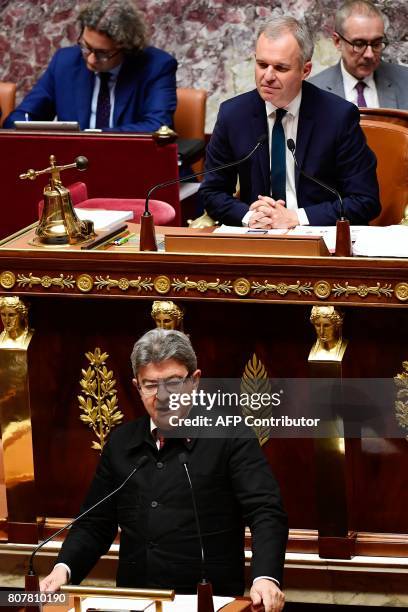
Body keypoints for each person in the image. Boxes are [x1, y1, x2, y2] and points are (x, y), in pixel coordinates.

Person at [39, 329, 288, 612]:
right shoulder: (121, 443)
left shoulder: (230, 436)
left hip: (208, 601)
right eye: (150, 385)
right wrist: (63, 569)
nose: (163, 396)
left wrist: (265, 577)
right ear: (137, 387)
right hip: (134, 601)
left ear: (194, 381)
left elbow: (265, 512)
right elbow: (95, 522)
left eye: (173, 382)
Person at [198, 16, 380, 228]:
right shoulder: (234, 114)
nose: (268, 76)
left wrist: (296, 217)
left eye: (281, 68)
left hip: (317, 236)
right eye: (262, 64)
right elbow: (211, 191)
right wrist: (249, 217)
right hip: (257, 236)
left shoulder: (338, 116)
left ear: (305, 70)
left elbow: (365, 201)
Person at [4, 0, 177, 132]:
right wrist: (23, 127)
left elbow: (158, 127)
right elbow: (24, 116)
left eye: (102, 53)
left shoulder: (157, 66)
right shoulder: (65, 62)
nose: (91, 59)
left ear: (127, 47)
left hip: (132, 163)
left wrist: (91, 137)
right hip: (75, 166)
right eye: (86, 47)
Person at [309, 1, 408, 110]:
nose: (369, 55)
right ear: (338, 42)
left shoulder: (405, 81)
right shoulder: (313, 91)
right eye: (359, 44)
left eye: (376, 43)